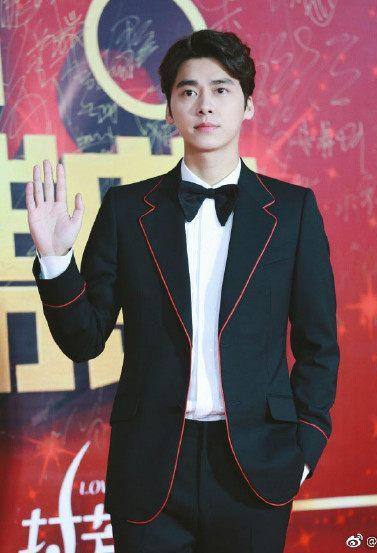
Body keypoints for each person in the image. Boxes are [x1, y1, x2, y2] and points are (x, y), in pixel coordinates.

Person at [28, 29, 340, 553]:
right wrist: (56, 259)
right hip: (150, 468)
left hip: (255, 467)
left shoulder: (292, 212)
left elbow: (319, 345)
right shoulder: (127, 211)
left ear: (248, 105)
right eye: (188, 91)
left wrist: (304, 448)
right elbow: (84, 340)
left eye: (221, 89)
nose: (205, 105)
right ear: (169, 110)